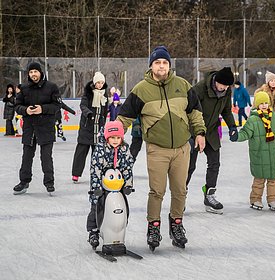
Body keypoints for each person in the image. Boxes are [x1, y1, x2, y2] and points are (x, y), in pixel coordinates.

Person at [116, 46, 206, 250]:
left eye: (165, 62)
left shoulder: (182, 85)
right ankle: (153, 226)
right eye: (158, 62)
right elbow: (125, 116)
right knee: (157, 191)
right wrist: (114, 134)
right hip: (157, 149)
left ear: (169, 65)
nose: (162, 66)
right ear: (151, 66)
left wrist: (200, 133)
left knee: (180, 190)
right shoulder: (141, 89)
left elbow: (194, 112)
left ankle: (177, 224)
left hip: (183, 147)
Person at [186, 66, 237, 215]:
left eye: (228, 86)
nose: (225, 88)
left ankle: (209, 195)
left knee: (214, 163)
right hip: (193, 131)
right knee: (189, 166)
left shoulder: (227, 92)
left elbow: (226, 110)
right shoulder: (200, 88)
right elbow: (189, 110)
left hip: (212, 131)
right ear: (216, 81)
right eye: (223, 85)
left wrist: (232, 126)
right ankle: (180, 197)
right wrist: (194, 132)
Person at [230, 91, 275, 211]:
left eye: (266, 103)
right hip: (258, 155)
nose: (264, 105)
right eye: (261, 103)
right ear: (257, 105)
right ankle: (255, 199)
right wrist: (236, 136)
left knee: (273, 180)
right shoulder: (253, 120)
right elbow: (245, 133)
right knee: (259, 179)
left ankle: (272, 199)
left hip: (272, 155)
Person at [13, 62, 62, 194]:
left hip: (46, 128)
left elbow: (57, 106)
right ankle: (24, 182)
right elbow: (17, 106)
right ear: (28, 74)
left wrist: (42, 109)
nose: (33, 74)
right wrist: (26, 110)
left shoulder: (51, 87)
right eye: (31, 72)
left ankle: (49, 182)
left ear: (40, 72)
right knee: (27, 157)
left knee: (46, 157)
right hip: (30, 128)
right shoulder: (24, 88)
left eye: (35, 71)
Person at [86, 121, 134, 249]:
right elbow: (95, 169)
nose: (115, 140)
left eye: (118, 137)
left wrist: (128, 185)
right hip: (102, 186)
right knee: (96, 207)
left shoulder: (124, 149)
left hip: (118, 186)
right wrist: (96, 189)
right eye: (113, 137)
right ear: (107, 137)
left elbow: (127, 167)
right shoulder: (101, 149)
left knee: (122, 207)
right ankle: (93, 231)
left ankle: (119, 230)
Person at [71, 71, 108, 183]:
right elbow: (82, 105)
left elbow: (105, 111)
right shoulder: (88, 93)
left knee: (97, 153)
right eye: (98, 83)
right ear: (94, 82)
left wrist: (103, 123)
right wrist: (88, 114)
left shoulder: (104, 94)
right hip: (87, 127)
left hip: (98, 128)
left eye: (102, 83)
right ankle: (76, 174)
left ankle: (97, 173)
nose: (100, 85)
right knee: (81, 152)